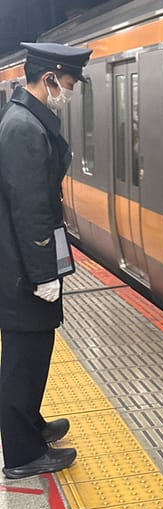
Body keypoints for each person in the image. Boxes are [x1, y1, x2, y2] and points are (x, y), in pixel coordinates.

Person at [0, 42, 91, 479]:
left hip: (24, 267)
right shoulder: (22, 127)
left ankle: (31, 427)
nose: (68, 92)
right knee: (23, 357)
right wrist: (42, 273)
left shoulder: (28, 120)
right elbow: (31, 207)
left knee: (35, 353)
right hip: (20, 272)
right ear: (50, 77)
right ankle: (22, 455)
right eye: (68, 84)